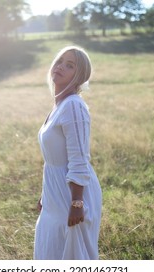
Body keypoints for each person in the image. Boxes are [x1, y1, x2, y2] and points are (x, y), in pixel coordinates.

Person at [34, 46, 102, 260]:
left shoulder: (73, 106)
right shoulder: (59, 106)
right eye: (60, 61)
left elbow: (79, 160)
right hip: (55, 195)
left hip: (72, 197)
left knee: (72, 257)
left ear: (79, 76)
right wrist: (46, 195)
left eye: (70, 65)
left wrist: (77, 204)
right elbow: (55, 159)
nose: (60, 66)